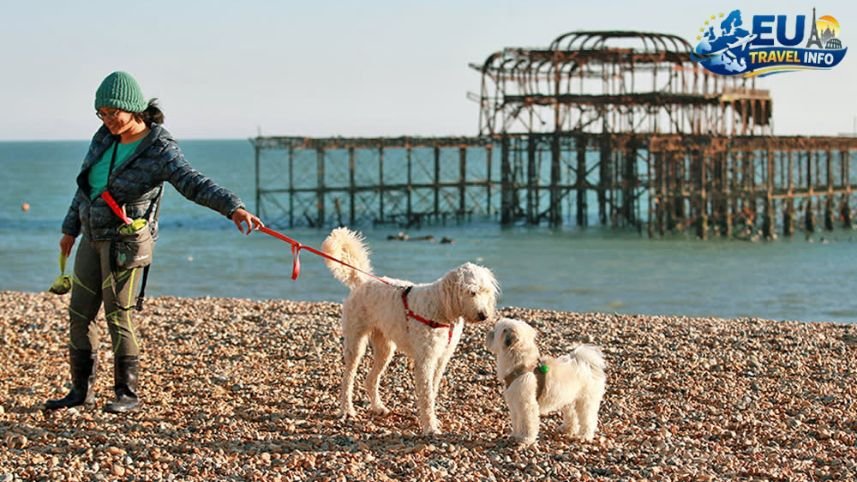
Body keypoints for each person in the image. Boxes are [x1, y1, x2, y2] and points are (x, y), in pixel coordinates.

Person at [45, 71, 264, 413]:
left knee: (119, 315)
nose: (107, 120)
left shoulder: (159, 148)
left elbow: (193, 182)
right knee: (79, 314)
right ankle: (79, 392)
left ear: (132, 108)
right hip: (91, 236)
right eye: (100, 114)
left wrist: (232, 207)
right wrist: (69, 229)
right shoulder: (103, 138)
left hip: (125, 244)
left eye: (112, 113)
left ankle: (126, 394)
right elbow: (85, 186)